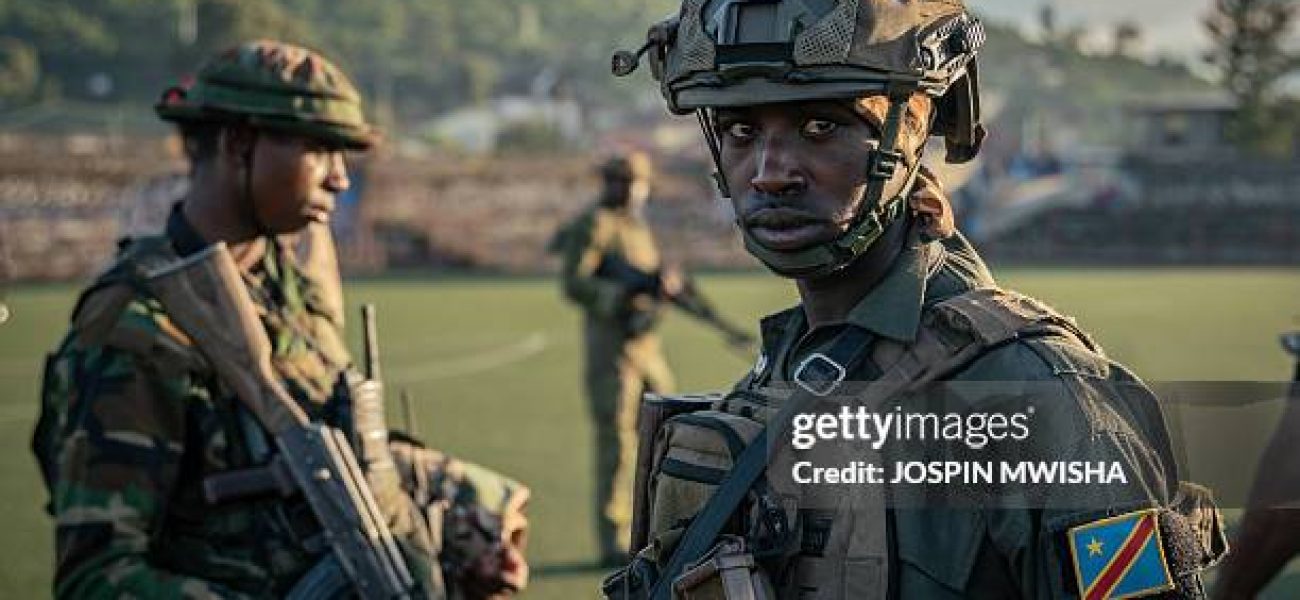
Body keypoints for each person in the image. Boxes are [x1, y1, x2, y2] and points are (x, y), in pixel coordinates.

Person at [604, 1, 1225, 597]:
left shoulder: (1038, 397)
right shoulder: (785, 373)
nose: (770, 170)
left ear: (914, 132)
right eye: (741, 130)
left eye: (822, 126)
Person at [32, 40, 528, 599]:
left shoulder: (289, 293)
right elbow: (96, 578)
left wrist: (461, 531)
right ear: (239, 144)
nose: (340, 179)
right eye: (320, 150)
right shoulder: (137, 330)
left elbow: (337, 457)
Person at [556, 152, 679, 564]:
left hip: (645, 346)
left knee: (670, 428)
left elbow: (647, 274)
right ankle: (613, 538)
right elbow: (574, 283)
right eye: (616, 181)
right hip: (611, 349)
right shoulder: (594, 224)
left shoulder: (637, 227)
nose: (624, 190)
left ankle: (663, 525)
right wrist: (619, 298)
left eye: (631, 182)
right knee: (617, 443)